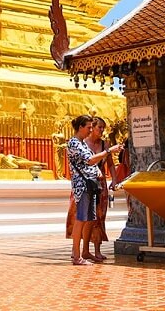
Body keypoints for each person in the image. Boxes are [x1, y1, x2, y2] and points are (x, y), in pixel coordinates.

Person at [67, 114, 122, 266]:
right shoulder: (74, 143)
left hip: (92, 185)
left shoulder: (82, 144)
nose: (90, 130)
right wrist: (109, 151)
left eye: (93, 127)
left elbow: (93, 162)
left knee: (90, 219)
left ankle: (84, 251)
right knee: (81, 220)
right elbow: (90, 160)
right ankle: (77, 255)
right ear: (80, 127)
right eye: (89, 127)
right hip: (83, 186)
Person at [84, 118, 115, 262]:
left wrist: (114, 179)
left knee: (99, 217)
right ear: (92, 128)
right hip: (87, 183)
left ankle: (97, 249)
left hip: (101, 185)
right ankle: (81, 249)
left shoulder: (105, 144)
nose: (102, 130)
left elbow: (110, 164)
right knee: (85, 217)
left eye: (103, 128)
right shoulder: (83, 144)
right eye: (99, 127)